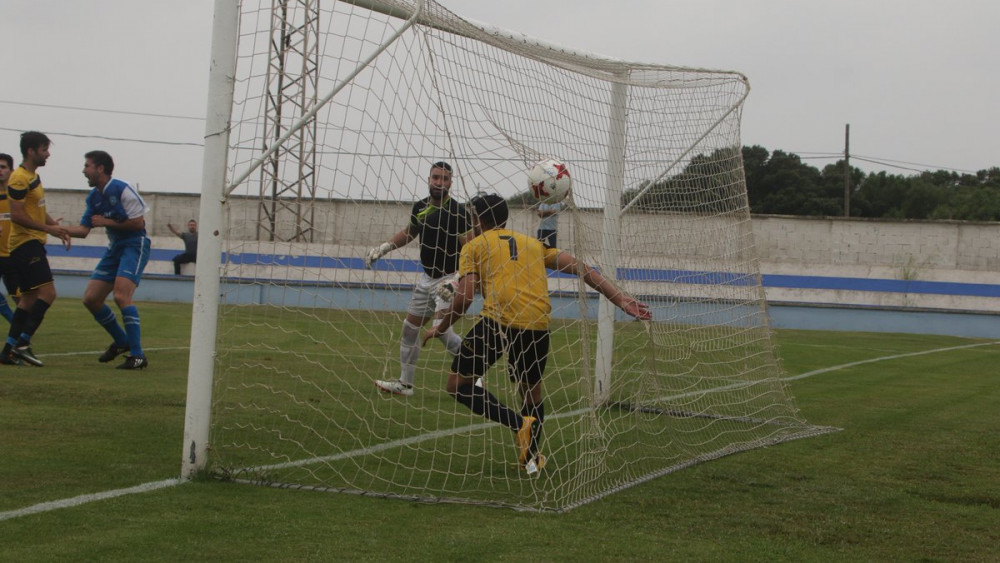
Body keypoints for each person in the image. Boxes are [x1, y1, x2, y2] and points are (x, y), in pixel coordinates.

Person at [422, 194, 652, 472]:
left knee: (457, 386)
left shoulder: (474, 246)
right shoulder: (532, 243)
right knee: (530, 395)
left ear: (476, 220)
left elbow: (466, 294)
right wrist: (620, 299)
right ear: (504, 218)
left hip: (498, 322)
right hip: (537, 325)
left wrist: (442, 326)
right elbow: (580, 266)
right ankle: (530, 459)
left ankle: (518, 424)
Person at [366, 161, 474, 397]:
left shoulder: (458, 213)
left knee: (442, 331)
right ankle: (405, 384)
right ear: (428, 179)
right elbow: (409, 233)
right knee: (410, 328)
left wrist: (456, 279)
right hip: (427, 279)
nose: (439, 183)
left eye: (444, 179)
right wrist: (384, 248)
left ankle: (474, 377)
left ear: (451, 183)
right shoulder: (421, 207)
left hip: (448, 280)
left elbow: (470, 251)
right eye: (435, 177)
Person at [63, 150, 151, 370]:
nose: (84, 170)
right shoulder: (93, 197)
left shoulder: (122, 189)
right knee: (91, 299)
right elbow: (83, 230)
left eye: (87, 166)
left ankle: (138, 356)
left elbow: (138, 224)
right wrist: (52, 229)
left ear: (100, 168)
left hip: (134, 245)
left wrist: (106, 222)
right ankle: (122, 342)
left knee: (121, 296)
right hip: (115, 249)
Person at [0, 131, 72, 366]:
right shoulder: (19, 178)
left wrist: (55, 227)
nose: (48, 154)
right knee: (48, 293)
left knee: (28, 299)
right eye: (44, 149)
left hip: (30, 241)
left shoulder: (32, 176)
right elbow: (18, 215)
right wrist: (47, 229)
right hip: (25, 243)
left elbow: (36, 209)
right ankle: (23, 343)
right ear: (31, 151)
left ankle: (8, 350)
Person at [0, 153, 19, 324]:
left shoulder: (16, 195)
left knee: (21, 299)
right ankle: (15, 323)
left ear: (11, 171)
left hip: (14, 254)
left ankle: (22, 332)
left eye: (3, 167)